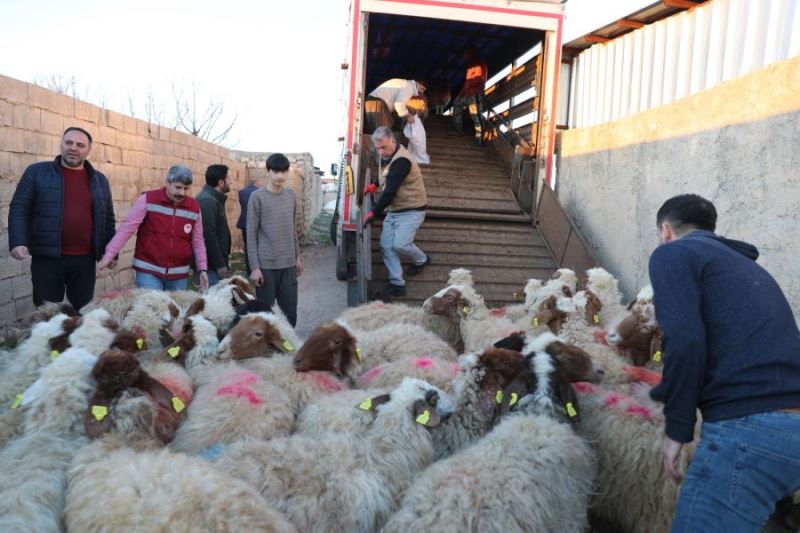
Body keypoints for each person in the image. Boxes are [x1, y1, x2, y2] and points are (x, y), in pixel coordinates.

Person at [637, 194, 800, 532]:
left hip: (747, 431)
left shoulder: (673, 253)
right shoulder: (746, 267)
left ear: (665, 231)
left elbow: (686, 340)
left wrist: (677, 428)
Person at [8, 127, 116, 311]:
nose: (73, 148)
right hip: (47, 259)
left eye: (80, 145)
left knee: (82, 313)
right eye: (69, 143)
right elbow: (19, 208)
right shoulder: (36, 172)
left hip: (84, 260)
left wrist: (110, 253)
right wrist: (18, 241)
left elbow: (107, 220)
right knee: (47, 314)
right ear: (62, 144)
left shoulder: (100, 181)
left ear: (88, 150)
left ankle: (76, 341)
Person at [97, 165, 208, 292]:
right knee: (151, 310)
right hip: (148, 270)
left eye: (186, 188)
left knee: (175, 311)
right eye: (178, 187)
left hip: (178, 274)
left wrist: (202, 269)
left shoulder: (194, 208)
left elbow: (198, 241)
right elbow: (127, 229)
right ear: (167, 182)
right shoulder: (148, 200)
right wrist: (108, 256)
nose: (182, 193)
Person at [362, 126, 430, 300]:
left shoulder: (402, 161)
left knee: (400, 245)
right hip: (396, 209)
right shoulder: (388, 155)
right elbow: (386, 175)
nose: (381, 151)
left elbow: (390, 192)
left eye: (383, 147)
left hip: (412, 209)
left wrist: (373, 212)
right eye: (377, 148)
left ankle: (422, 259)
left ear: (393, 140)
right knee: (386, 246)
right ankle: (397, 284)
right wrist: (375, 184)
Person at [246, 153, 303, 326]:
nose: (280, 176)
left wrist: (297, 257)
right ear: (268, 171)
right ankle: (266, 352)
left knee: (290, 313)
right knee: (265, 315)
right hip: (266, 266)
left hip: (288, 264)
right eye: (275, 171)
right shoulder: (257, 197)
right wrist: (255, 267)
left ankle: (287, 348)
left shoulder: (291, 196)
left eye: (283, 172)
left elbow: (292, 229)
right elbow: (251, 233)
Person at [196, 164, 232, 287]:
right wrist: (219, 265)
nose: (231, 182)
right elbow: (208, 235)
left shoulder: (213, 199)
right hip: (210, 268)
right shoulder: (207, 201)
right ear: (221, 182)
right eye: (229, 179)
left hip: (214, 266)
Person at [453, 46, 488, 143]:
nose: (465, 56)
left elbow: (481, 79)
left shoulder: (480, 64)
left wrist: (470, 84)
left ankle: (479, 138)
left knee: (475, 114)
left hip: (475, 94)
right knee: (457, 103)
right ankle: (458, 129)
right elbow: (466, 83)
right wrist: (459, 95)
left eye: (467, 53)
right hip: (468, 94)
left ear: (472, 53)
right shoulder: (470, 66)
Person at [236, 176, 259, 273]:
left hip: (244, 222)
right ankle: (257, 267)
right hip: (257, 222)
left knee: (247, 245)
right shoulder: (259, 192)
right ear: (256, 183)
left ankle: (249, 268)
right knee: (258, 245)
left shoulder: (241, 192)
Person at [402, 96, 430, 165]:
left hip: (418, 158)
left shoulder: (416, 121)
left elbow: (416, 139)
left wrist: (410, 123)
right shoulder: (415, 120)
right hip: (414, 154)